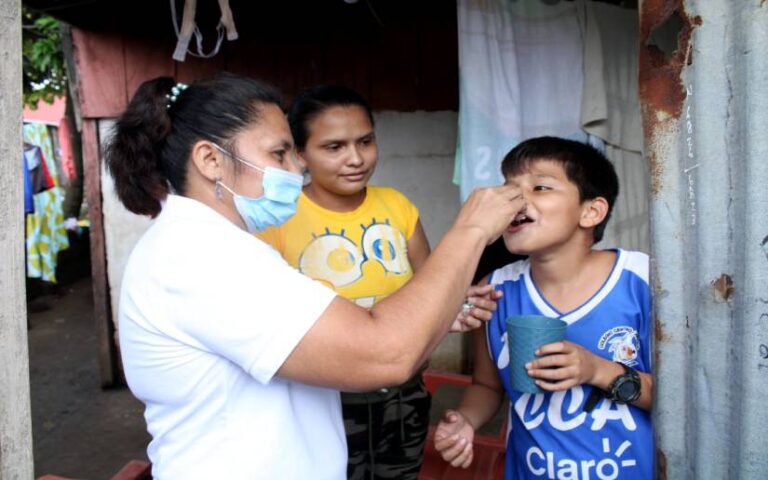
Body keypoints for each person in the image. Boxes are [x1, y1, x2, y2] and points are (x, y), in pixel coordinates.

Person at [105, 71, 524, 480]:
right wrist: (471, 230)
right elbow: (387, 352)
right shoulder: (201, 258)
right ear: (211, 160)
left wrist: (436, 313)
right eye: (279, 153)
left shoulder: (217, 247)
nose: (295, 169)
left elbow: (356, 332)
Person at [256, 85, 498, 480]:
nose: (355, 158)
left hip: (402, 397)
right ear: (300, 154)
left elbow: (432, 291)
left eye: (365, 141)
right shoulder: (279, 219)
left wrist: (459, 306)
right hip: (320, 399)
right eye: (334, 147)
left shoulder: (397, 206)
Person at [434, 136, 654, 479]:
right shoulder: (495, 290)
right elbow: (487, 386)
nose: (516, 200)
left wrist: (598, 371)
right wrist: (465, 420)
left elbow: (681, 402)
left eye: (540, 187)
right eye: (509, 188)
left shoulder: (642, 281)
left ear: (591, 211)